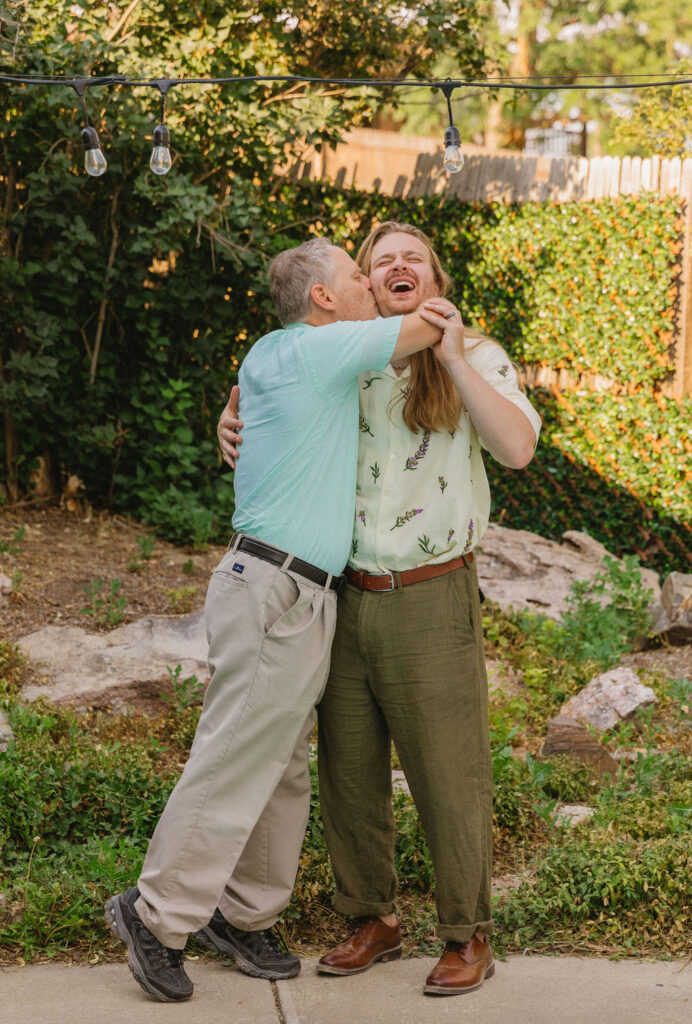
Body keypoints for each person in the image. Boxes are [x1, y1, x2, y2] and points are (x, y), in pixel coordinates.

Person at [105, 235, 461, 1003]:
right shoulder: (316, 350)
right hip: (275, 585)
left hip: (297, 590)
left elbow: (251, 415)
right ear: (325, 298)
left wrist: (228, 419)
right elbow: (432, 320)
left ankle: (244, 915)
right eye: (361, 276)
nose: (373, 284)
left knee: (281, 763)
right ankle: (156, 913)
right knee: (234, 754)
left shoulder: (277, 355)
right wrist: (426, 292)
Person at [218, 222, 541, 997]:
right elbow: (268, 414)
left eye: (413, 259)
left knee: (448, 773)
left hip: (431, 594)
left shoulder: (478, 356)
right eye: (380, 261)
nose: (396, 267)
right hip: (339, 594)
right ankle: (373, 917)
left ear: (434, 276)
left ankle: (467, 933)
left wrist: (454, 359)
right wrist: (229, 425)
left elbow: (517, 448)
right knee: (349, 772)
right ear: (362, 283)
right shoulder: (346, 359)